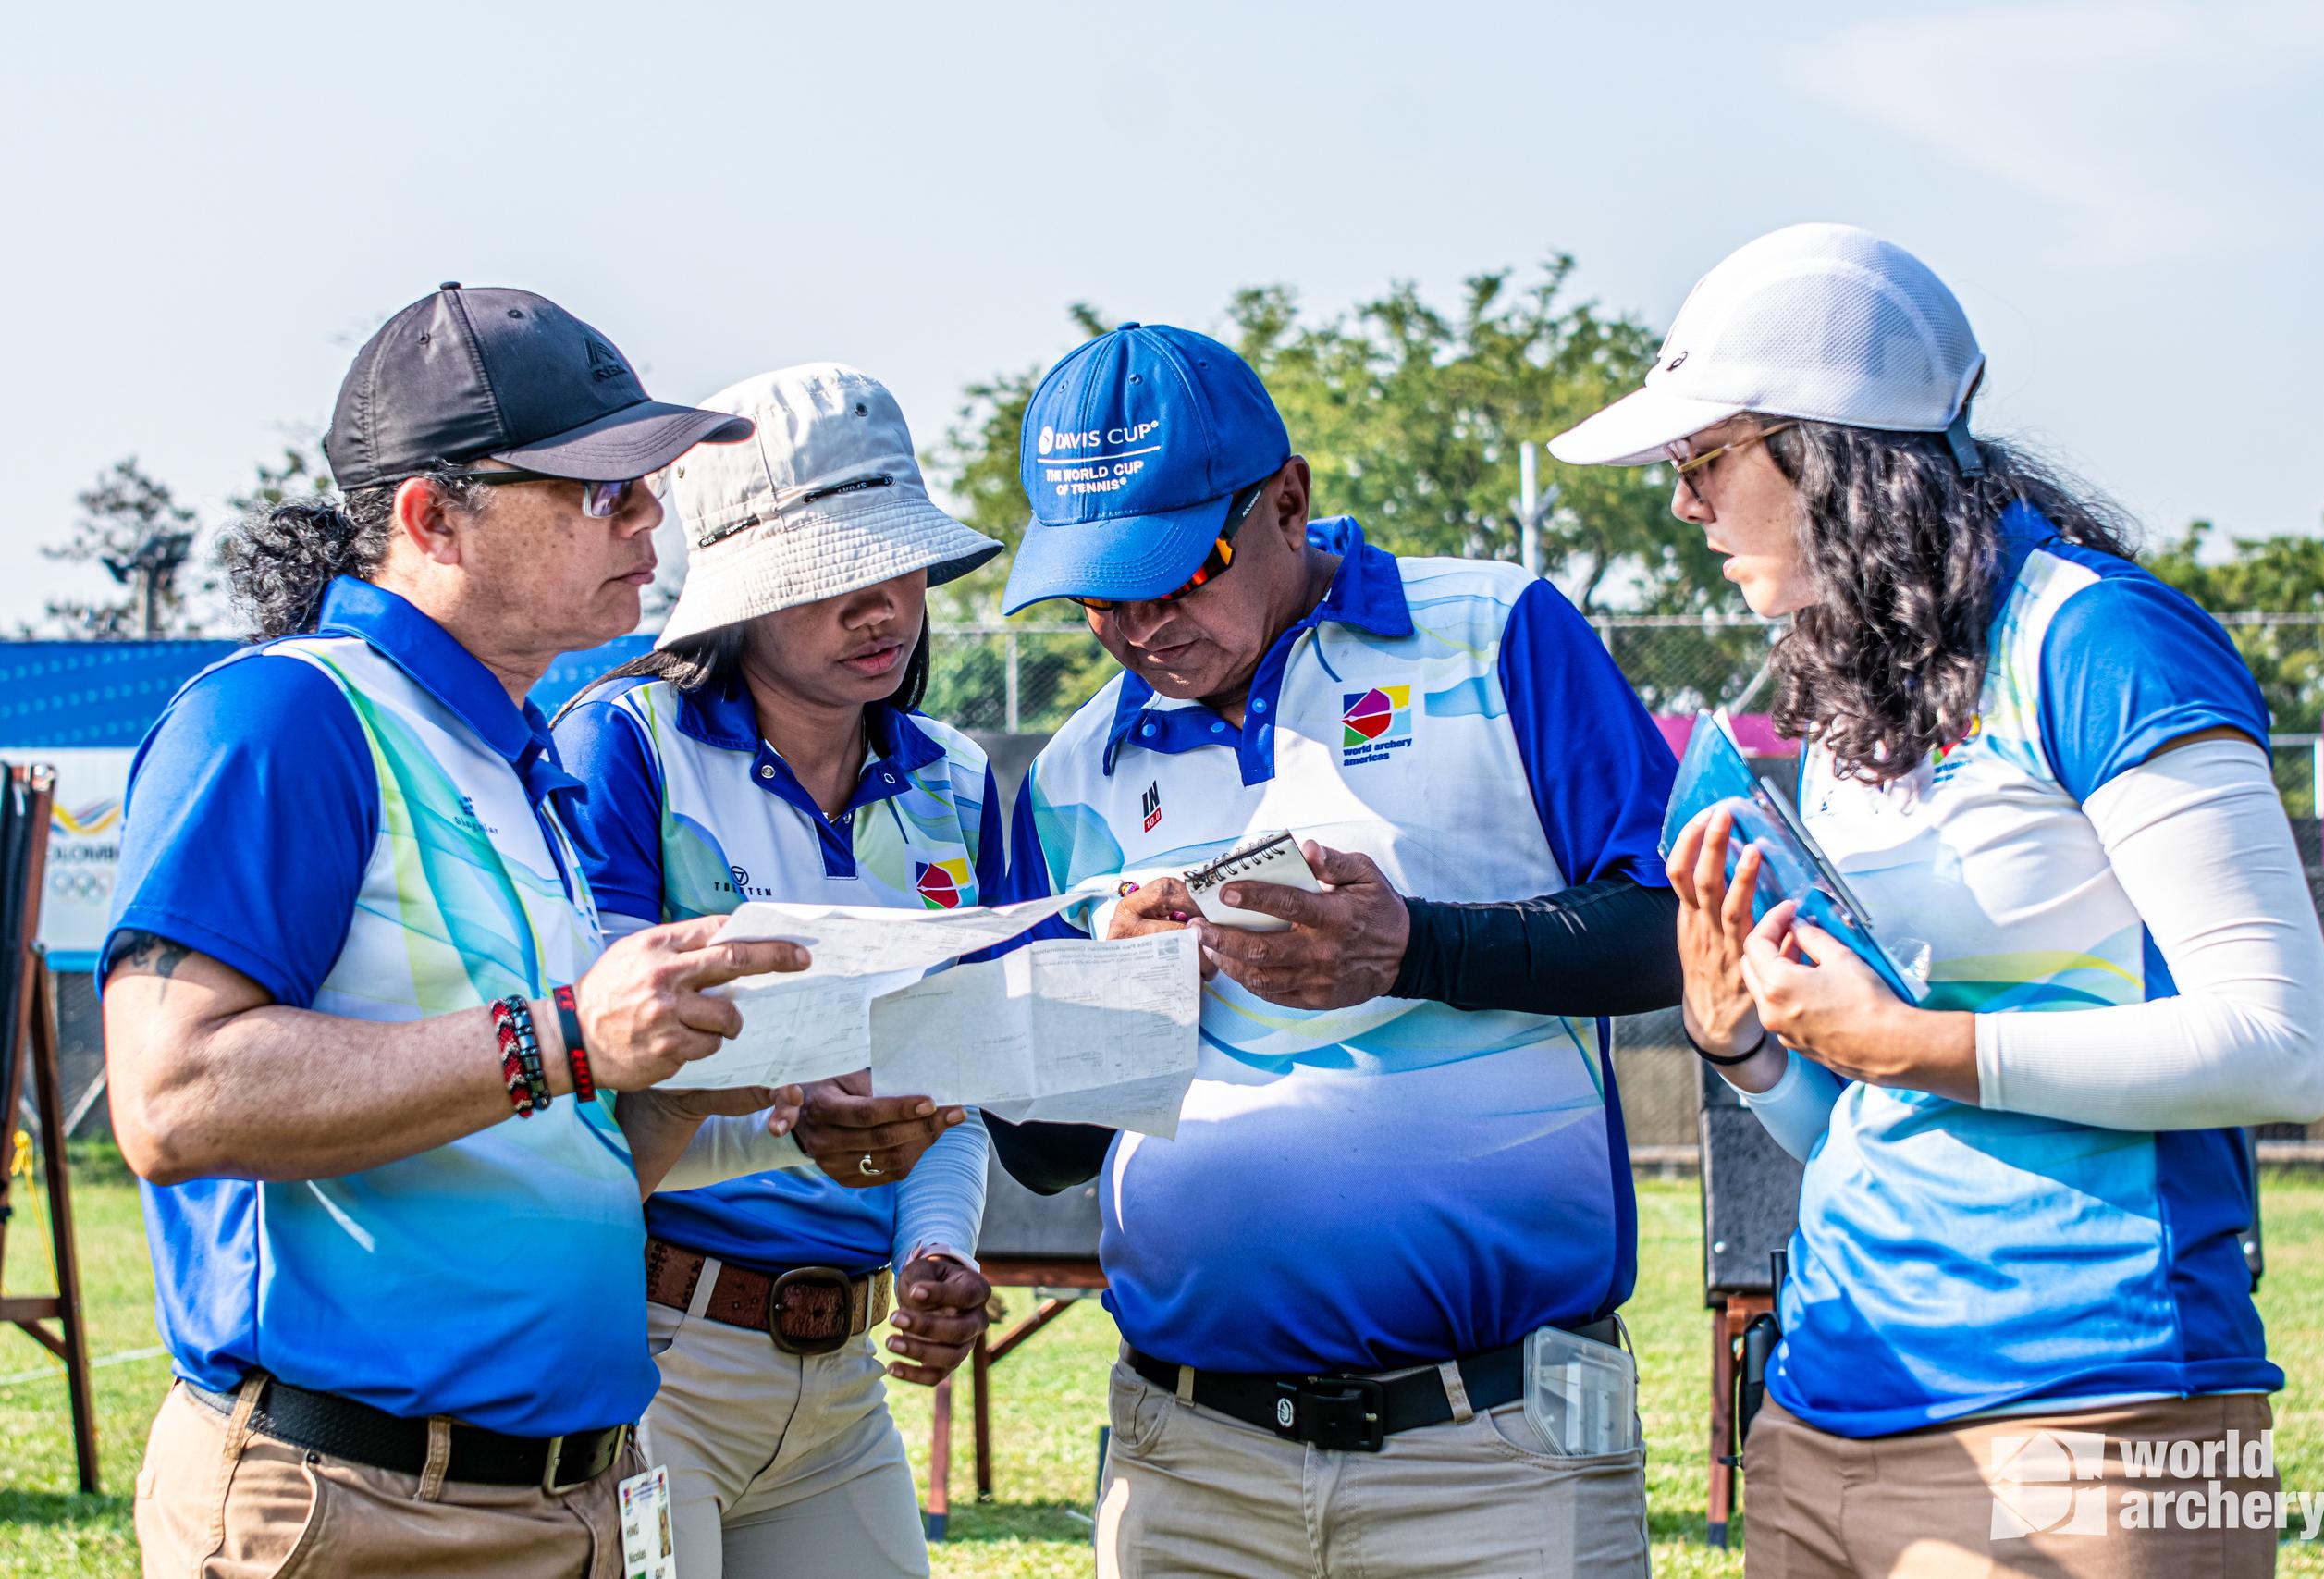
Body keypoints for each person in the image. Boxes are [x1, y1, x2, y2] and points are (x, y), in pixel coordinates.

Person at [1552, 223, 2324, 1578]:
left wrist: (1920, 1042)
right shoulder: (1870, 682)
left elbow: (2287, 1046)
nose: (1681, 505)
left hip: (2098, 1424)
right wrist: (1745, 1041)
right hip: (1823, 1415)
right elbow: (1869, 1113)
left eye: (1703, 458)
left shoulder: (2099, 639)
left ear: (1833, 446)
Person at [105, 284, 813, 1578]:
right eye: (604, 491)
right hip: (353, 1510)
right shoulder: (282, 718)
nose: (654, 517)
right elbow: (171, 1096)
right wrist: (564, 1037)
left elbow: (555, 1148)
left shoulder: (517, 753)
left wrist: (749, 1098)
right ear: (433, 518)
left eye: (648, 484)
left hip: (572, 1504)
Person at [990, 322, 1680, 1578]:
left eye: (1176, 571)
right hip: (1192, 1466)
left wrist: (1412, 948)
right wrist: (1122, 997)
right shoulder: (1072, 770)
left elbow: (1676, 940)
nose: (1141, 627)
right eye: (1099, 594)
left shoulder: (1497, 630)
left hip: (1501, 1454)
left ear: (1289, 501)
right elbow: (1041, 1157)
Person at [553, 363, 1002, 1578]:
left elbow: (950, 1088)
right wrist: (796, 1125)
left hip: (844, 1384)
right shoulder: (621, 747)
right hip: (649, 1361)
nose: (883, 608)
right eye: (831, 575)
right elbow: (596, 1107)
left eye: (900, 562)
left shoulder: (956, 780)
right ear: (739, 595)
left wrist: (935, 1249)